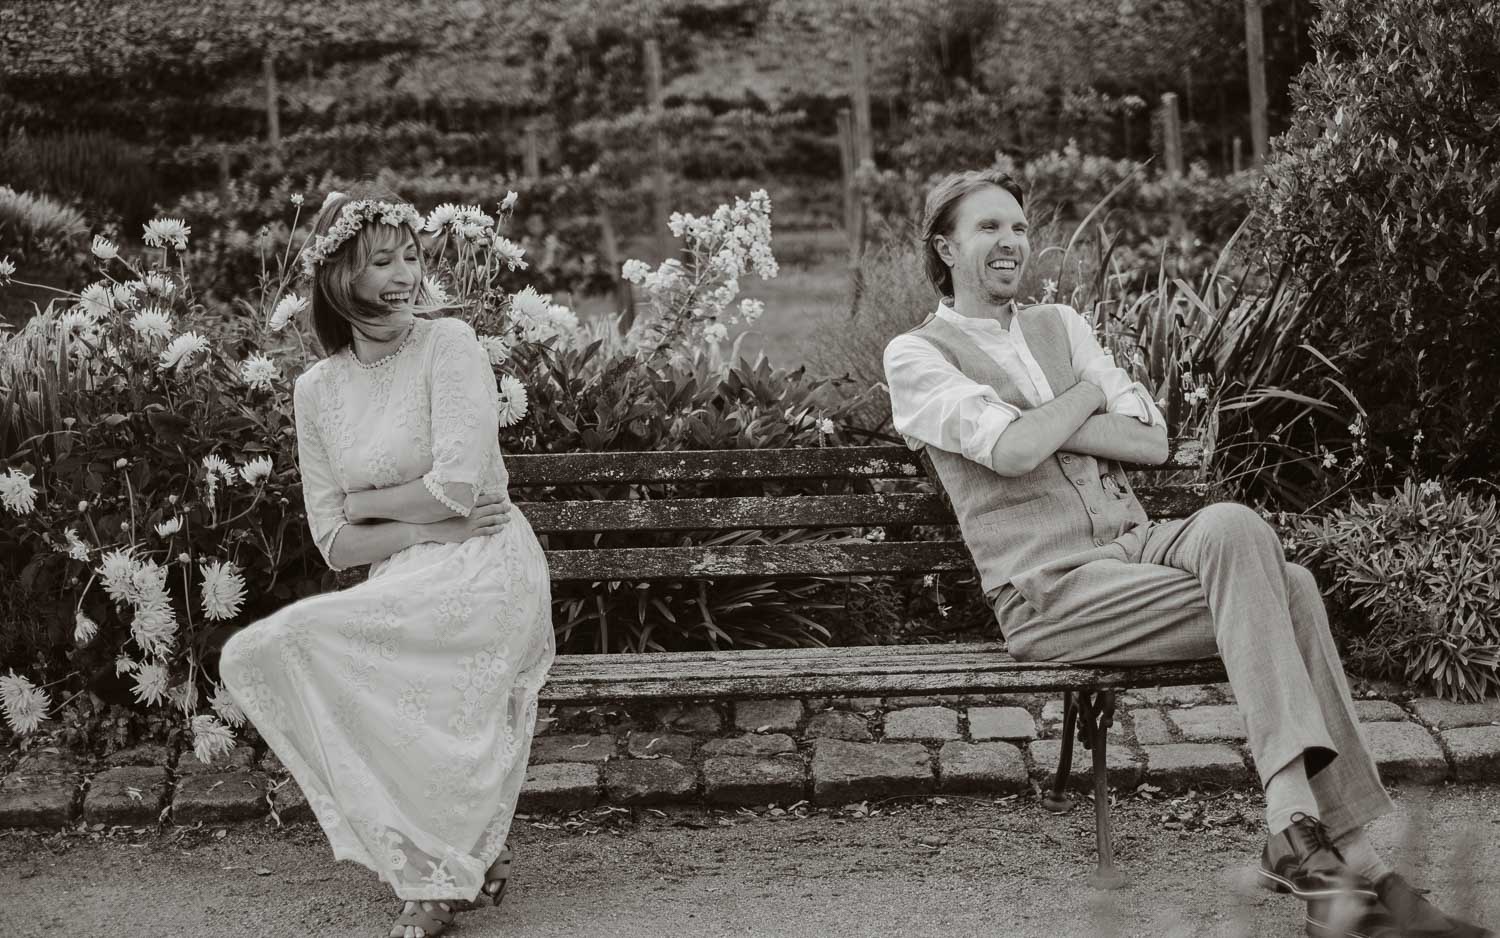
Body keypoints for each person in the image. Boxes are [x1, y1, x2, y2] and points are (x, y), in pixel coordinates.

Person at [882, 169, 1491, 938]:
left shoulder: (1060, 324)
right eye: (986, 229)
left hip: (1134, 547)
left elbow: (1152, 439)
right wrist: (1077, 403)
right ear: (946, 245)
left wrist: (1037, 421)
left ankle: (1300, 832)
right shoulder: (915, 355)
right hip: (1050, 591)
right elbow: (1011, 454)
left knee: (1240, 528)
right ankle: (1357, 867)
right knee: (1294, 587)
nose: (1010, 243)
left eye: (1018, 228)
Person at [220, 189, 555, 938]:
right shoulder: (317, 390)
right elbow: (335, 542)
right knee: (276, 643)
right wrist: (409, 525)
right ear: (342, 277)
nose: (406, 274)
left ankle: (436, 879)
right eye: (383, 261)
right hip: (408, 568)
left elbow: (460, 490)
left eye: (411, 256)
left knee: (420, 672)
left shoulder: (450, 346)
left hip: (488, 563)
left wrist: (371, 502)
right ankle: (464, 852)